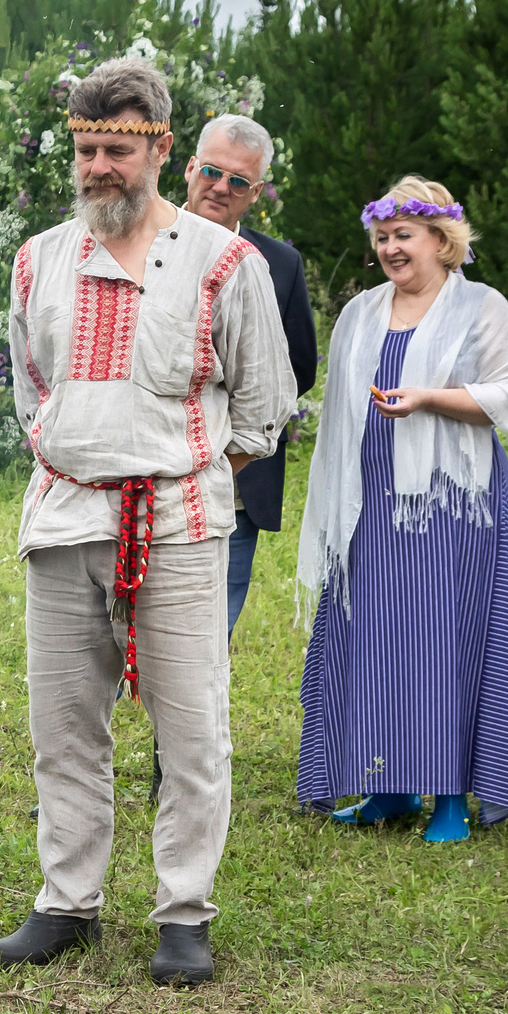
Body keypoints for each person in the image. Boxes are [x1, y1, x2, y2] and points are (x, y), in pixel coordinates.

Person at [0, 57, 295, 988]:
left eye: (116, 150)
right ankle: (66, 901)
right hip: (64, 519)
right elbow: (32, 390)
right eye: (85, 150)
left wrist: (171, 475)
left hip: (181, 523)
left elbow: (264, 409)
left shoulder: (224, 261)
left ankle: (184, 913)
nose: (98, 168)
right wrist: (85, 454)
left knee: (192, 729)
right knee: (63, 725)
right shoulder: (39, 258)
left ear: (161, 148)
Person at [295, 178, 508, 840]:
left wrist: (430, 397)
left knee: (441, 640)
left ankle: (451, 799)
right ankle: (388, 788)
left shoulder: (481, 307)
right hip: (369, 501)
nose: (390, 249)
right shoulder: (360, 312)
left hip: (453, 505)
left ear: (442, 239)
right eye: (382, 237)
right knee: (377, 636)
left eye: (403, 235)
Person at [182, 116, 319, 634]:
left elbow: (296, 369)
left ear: (256, 193)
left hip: (233, 482)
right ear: (190, 168)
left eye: (238, 181)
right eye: (212, 172)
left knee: (211, 629)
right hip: (147, 472)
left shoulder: (280, 264)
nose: (221, 187)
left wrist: (231, 429)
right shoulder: (144, 241)